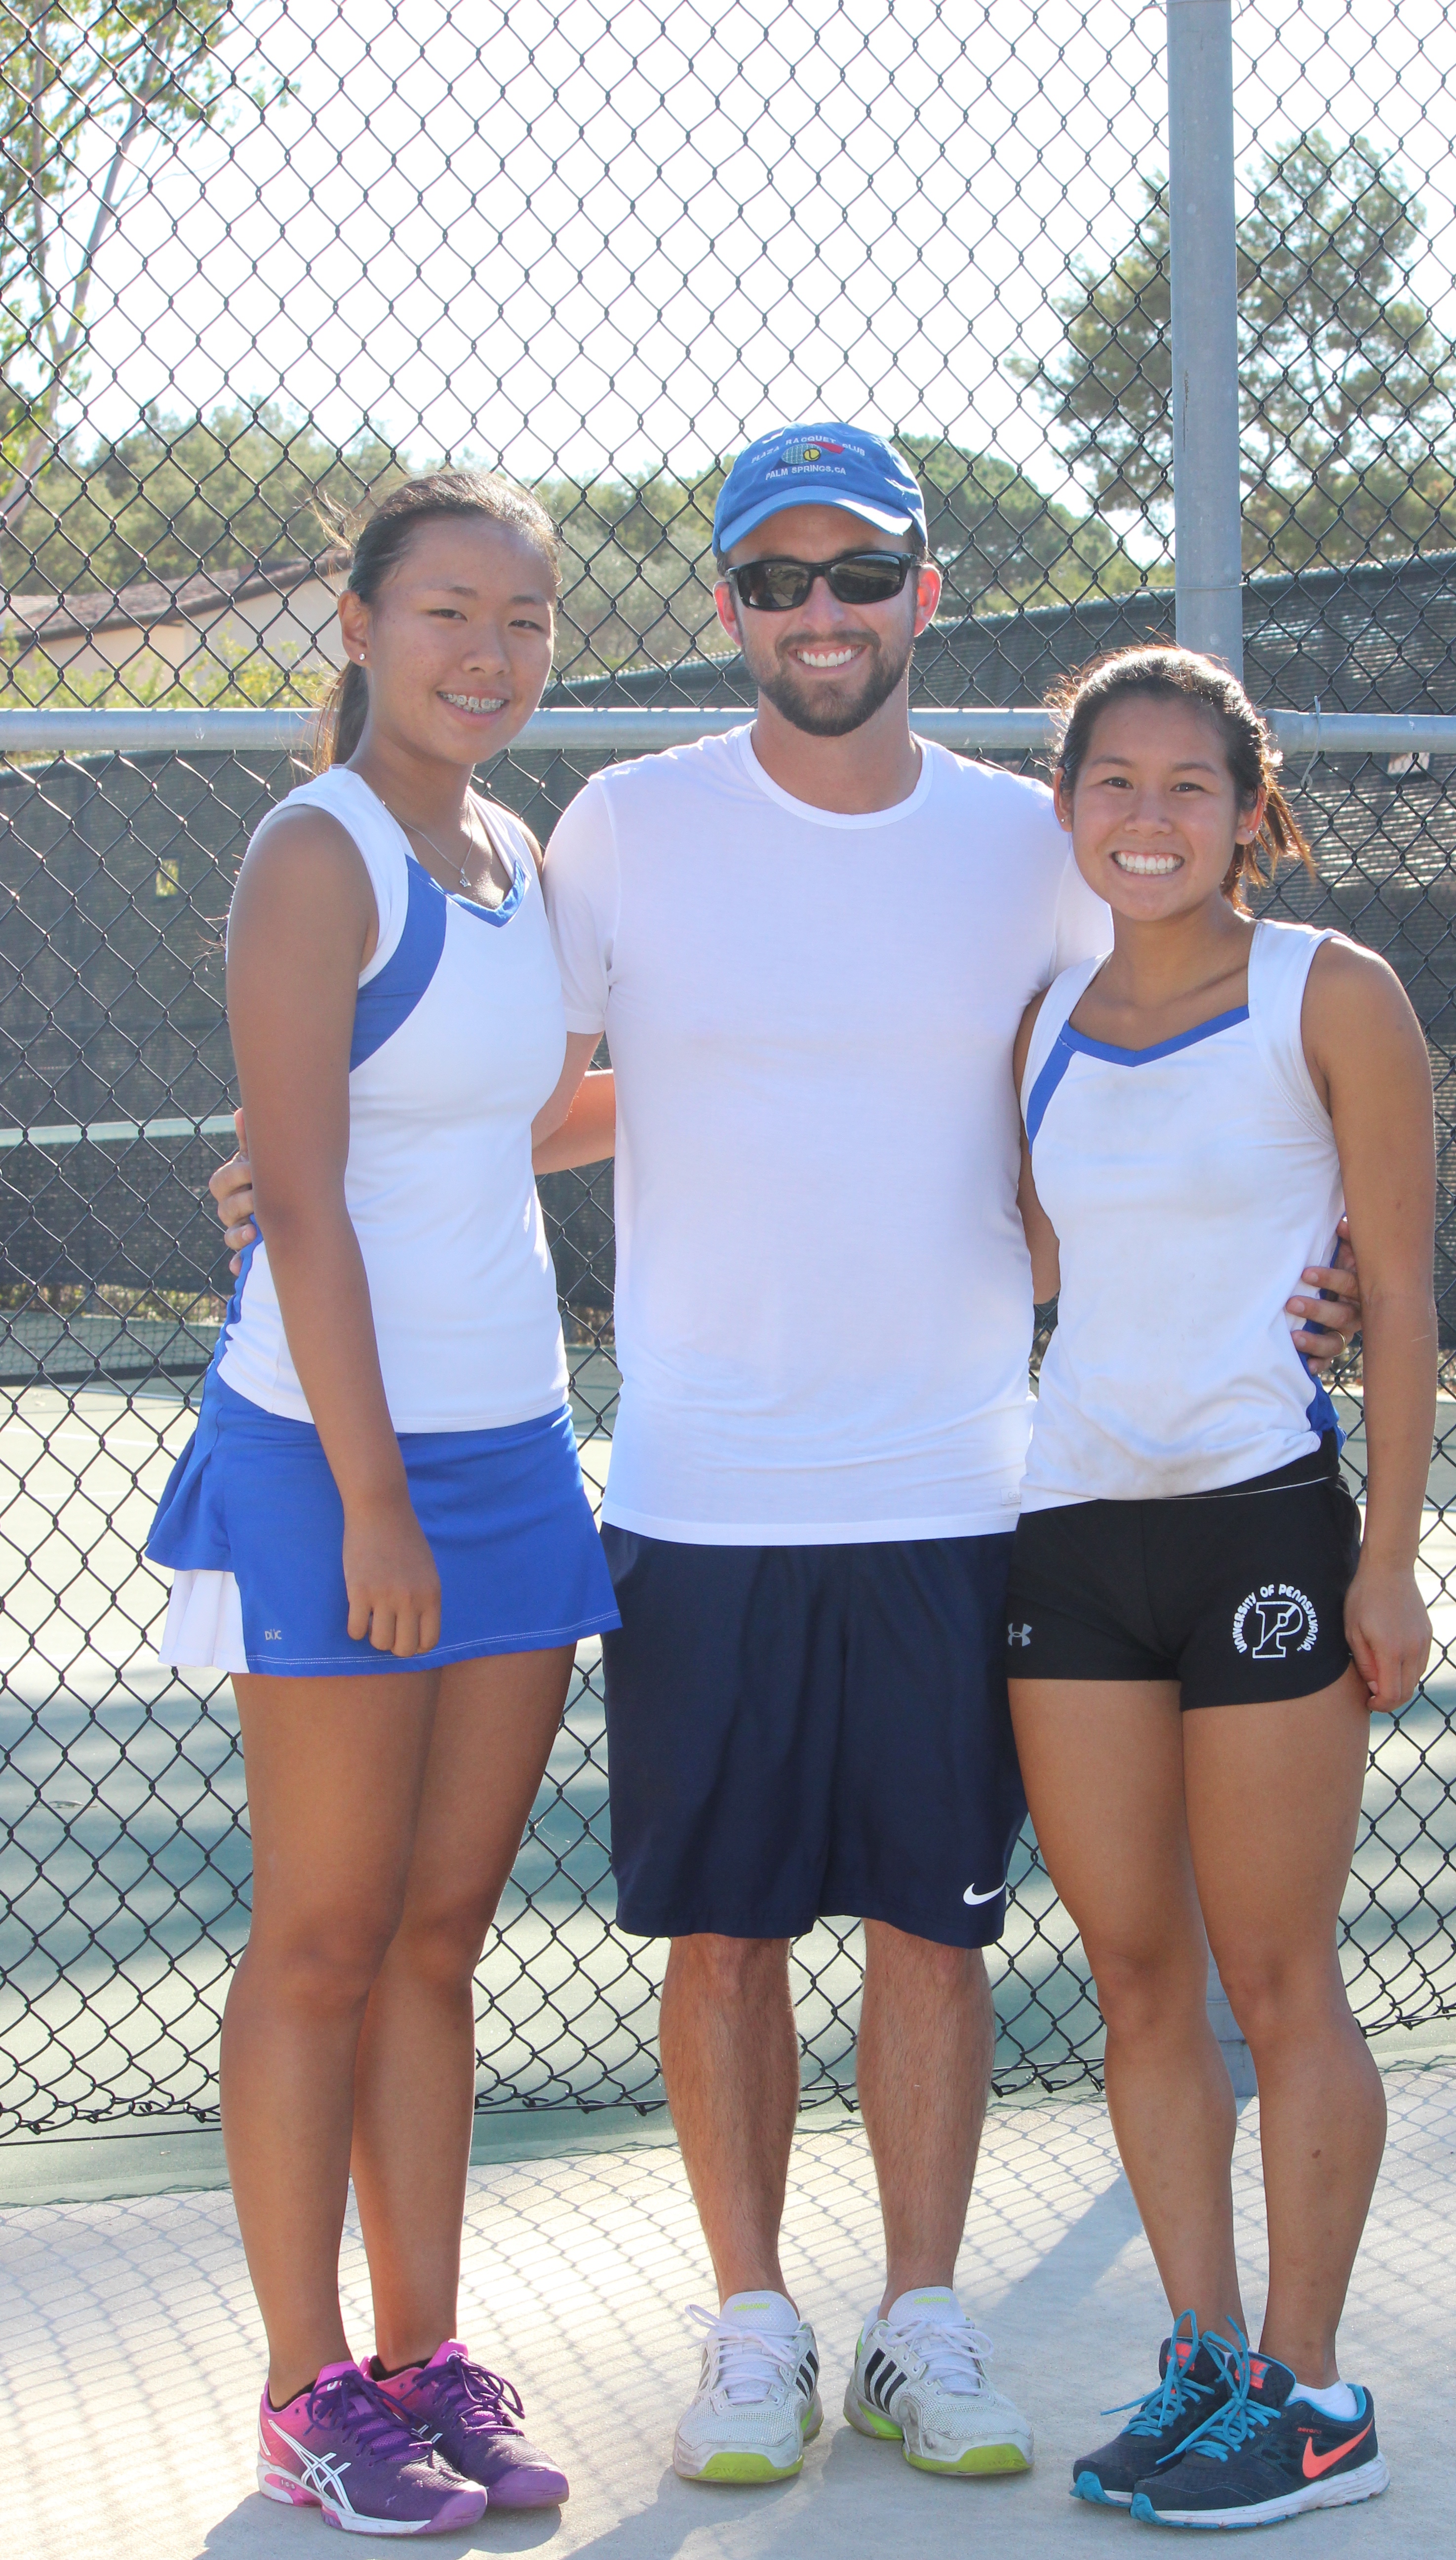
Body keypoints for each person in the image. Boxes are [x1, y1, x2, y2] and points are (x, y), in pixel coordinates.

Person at [212, 424, 1364, 2493]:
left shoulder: (1039, 838)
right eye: (776, 578)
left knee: (936, 1938)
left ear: (929, 594)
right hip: (690, 1488)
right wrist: (320, 1156)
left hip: (962, 1482)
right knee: (722, 1937)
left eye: (863, 573)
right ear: (730, 607)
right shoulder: (620, 834)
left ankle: (923, 2324)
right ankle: (751, 2326)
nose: (820, 610)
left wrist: (1313, 1266)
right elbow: (538, 1080)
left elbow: (1171, 1059)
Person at [150, 473, 620, 2535]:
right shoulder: (310, 860)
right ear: (357, 622)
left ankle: (422, 2367)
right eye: (450, 611)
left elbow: (525, 1130)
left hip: (517, 1449)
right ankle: (299, 2391)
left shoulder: (513, 851)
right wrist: (371, 1500)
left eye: (527, 620)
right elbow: (308, 1200)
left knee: (441, 1937)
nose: (491, 653)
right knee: (326, 1937)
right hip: (336, 1456)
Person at [1004, 644, 1435, 2530]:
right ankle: (1202, 2363)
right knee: (1137, 1971)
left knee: (1277, 1973)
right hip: (1073, 1540)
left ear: (1252, 809)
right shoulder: (1039, 1017)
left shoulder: (1331, 993)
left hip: (1267, 1525)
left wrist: (1393, 1559)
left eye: (1192, 786)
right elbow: (1037, 1261)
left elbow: (1404, 1301)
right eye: (1115, 783)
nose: (1150, 818)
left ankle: (1314, 2396)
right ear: (1069, 804)